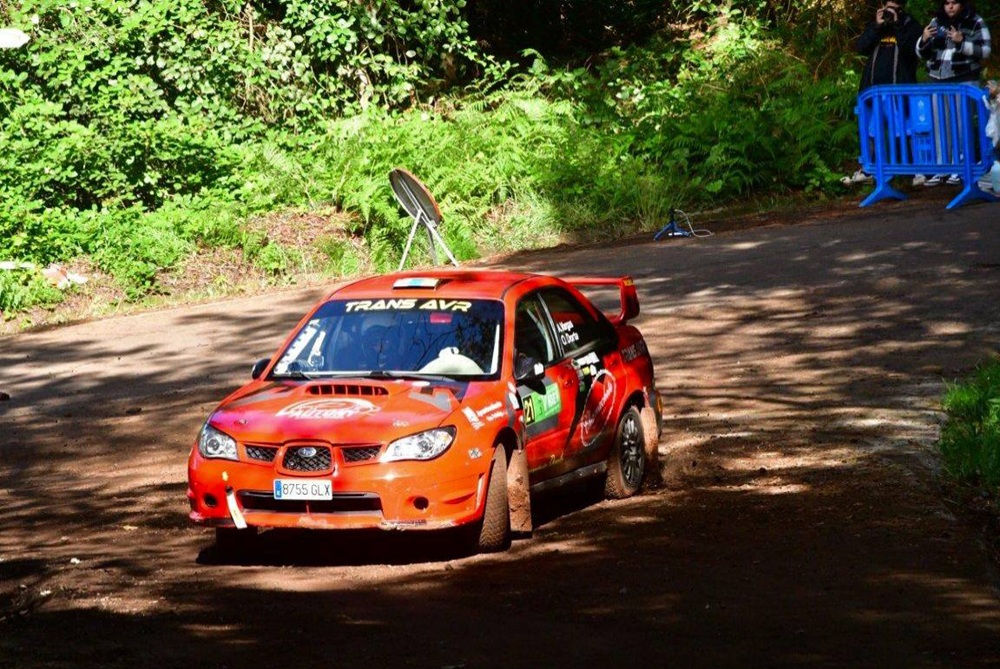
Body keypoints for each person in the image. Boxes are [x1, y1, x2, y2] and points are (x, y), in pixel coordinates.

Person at [842, 0, 922, 186]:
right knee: (873, 129)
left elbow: (912, 49)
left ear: (901, 9)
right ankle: (870, 169)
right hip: (875, 91)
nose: (890, 12)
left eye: (894, 8)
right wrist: (876, 26)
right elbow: (861, 47)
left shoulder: (909, 24)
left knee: (905, 129)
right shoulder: (878, 26)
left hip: (899, 90)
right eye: (888, 8)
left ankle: (914, 171)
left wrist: (897, 24)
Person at [913, 0, 991, 186]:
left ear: (962, 4)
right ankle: (943, 168)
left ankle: (961, 167)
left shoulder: (975, 21)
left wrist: (962, 42)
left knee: (961, 125)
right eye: (947, 3)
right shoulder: (936, 21)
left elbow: (986, 51)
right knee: (940, 125)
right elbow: (920, 53)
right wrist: (923, 39)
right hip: (937, 80)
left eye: (954, 2)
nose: (950, 7)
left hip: (963, 80)